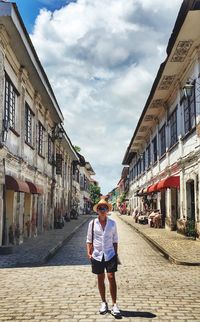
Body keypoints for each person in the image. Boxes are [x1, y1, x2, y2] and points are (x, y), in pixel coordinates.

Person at [86, 198, 121, 317]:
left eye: (104, 208)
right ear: (97, 210)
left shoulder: (112, 223)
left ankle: (114, 304)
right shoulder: (92, 224)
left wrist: (115, 254)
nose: (102, 210)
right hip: (97, 255)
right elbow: (89, 239)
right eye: (100, 208)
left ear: (107, 210)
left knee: (111, 277)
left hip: (110, 254)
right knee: (100, 278)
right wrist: (89, 253)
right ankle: (103, 302)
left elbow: (115, 240)